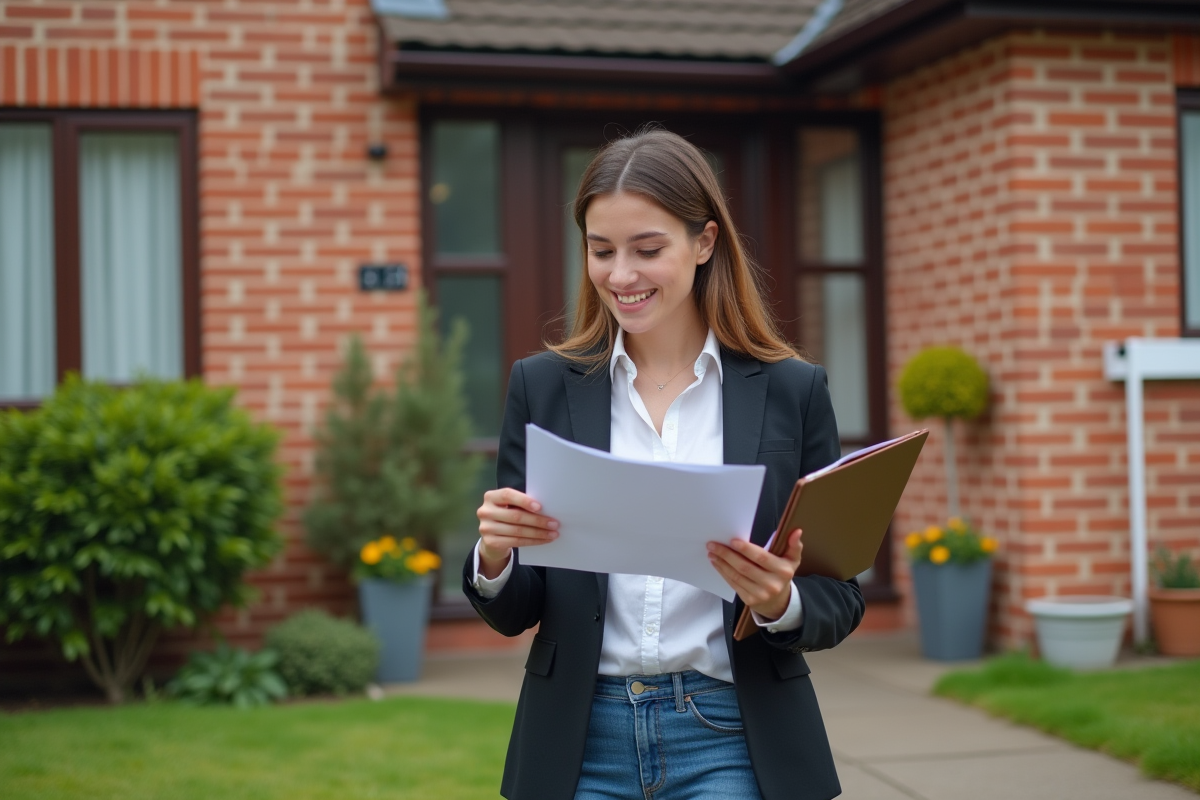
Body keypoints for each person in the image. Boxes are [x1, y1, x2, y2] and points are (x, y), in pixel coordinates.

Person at [463, 128, 864, 800]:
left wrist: (778, 601)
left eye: (647, 249)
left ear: (704, 242)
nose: (621, 275)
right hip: (578, 739)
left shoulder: (793, 391)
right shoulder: (543, 387)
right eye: (601, 250)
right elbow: (518, 609)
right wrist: (497, 556)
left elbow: (839, 598)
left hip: (732, 736)